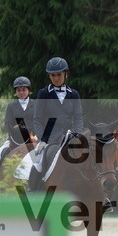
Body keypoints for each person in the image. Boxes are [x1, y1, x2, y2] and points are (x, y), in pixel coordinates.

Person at [29, 57, 84, 191]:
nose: (56, 78)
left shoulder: (74, 94)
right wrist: (43, 139)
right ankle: (33, 192)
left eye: (59, 75)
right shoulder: (43, 93)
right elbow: (37, 119)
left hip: (70, 138)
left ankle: (100, 195)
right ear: (49, 76)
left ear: (66, 74)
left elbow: (78, 118)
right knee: (37, 162)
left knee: (90, 159)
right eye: (53, 75)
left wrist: (77, 135)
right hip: (50, 139)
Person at [0, 76, 35, 178]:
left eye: (24, 90)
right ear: (15, 92)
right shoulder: (11, 106)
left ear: (29, 91)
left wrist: (23, 126)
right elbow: (8, 123)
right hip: (15, 139)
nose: (21, 92)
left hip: (33, 138)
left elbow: (38, 121)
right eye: (19, 90)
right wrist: (14, 131)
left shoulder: (36, 105)